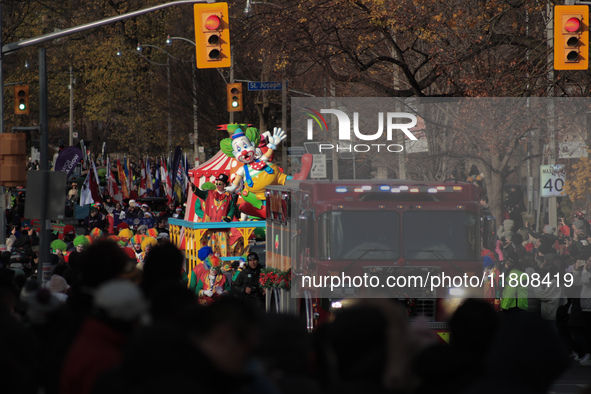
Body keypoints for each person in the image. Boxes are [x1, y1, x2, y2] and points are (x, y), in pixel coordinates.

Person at [190, 174, 238, 256]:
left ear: (224, 185)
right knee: (210, 248)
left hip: (222, 227)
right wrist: (194, 187)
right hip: (210, 227)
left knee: (224, 249)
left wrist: (229, 217)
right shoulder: (209, 193)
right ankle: (210, 266)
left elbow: (232, 208)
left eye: (220, 184)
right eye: (217, 183)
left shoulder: (228, 196)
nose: (218, 185)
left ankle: (225, 266)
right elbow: (200, 193)